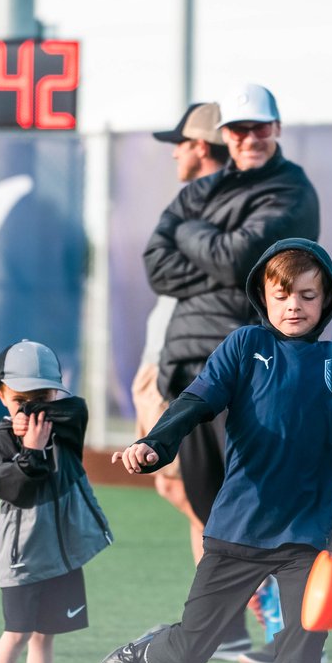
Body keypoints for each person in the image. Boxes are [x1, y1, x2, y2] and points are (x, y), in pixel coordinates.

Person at [95, 239, 332, 663]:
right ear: (263, 294)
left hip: (307, 532)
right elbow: (194, 403)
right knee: (192, 648)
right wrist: (154, 446)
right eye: (282, 295)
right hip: (240, 527)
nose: (294, 306)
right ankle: (143, 654)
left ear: (325, 299)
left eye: (308, 295)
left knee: (305, 634)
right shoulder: (246, 345)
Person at [143, 82, 320, 660]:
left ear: (276, 128)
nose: (249, 138)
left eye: (259, 128)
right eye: (238, 130)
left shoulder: (291, 190)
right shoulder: (205, 187)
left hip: (255, 367)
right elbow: (155, 262)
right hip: (190, 363)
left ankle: (285, 630)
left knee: (262, 504)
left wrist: (196, 237)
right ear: (224, 136)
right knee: (207, 506)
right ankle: (229, 627)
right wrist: (218, 256)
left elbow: (240, 260)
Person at [0, 340, 113, 663]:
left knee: (45, 632)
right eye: (20, 399)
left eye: (41, 397)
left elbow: (78, 409)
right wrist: (29, 450)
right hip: (24, 557)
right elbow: (12, 488)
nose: (30, 408)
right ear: (1, 395)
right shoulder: (0, 442)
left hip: (62, 552)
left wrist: (36, 415)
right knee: (17, 632)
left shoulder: (65, 424)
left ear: (56, 392)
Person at [132, 101, 230, 568]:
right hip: (169, 357)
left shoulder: (220, 205)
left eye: (181, 144)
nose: (174, 154)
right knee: (184, 485)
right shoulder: (197, 201)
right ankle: (225, 621)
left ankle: (250, 571)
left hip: (189, 366)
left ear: (201, 145)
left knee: (190, 484)